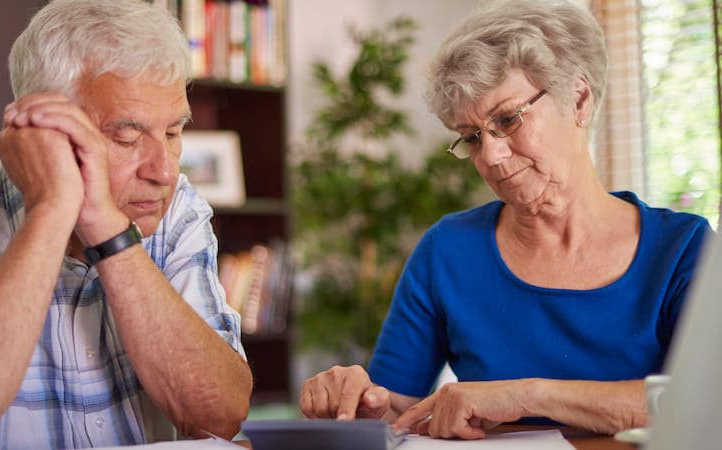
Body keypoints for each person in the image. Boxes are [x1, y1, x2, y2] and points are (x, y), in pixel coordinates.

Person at [299, 0, 713, 440]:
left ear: (578, 98)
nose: (491, 156)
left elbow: (707, 401)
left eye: (507, 119)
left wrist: (527, 396)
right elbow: (397, 411)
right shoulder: (448, 251)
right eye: (472, 138)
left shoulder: (684, 249)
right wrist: (355, 404)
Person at [0, 1, 252, 448]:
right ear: (43, 131)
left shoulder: (175, 212)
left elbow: (221, 415)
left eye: (174, 133)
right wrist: (52, 211)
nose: (163, 170)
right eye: (127, 136)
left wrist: (109, 233)